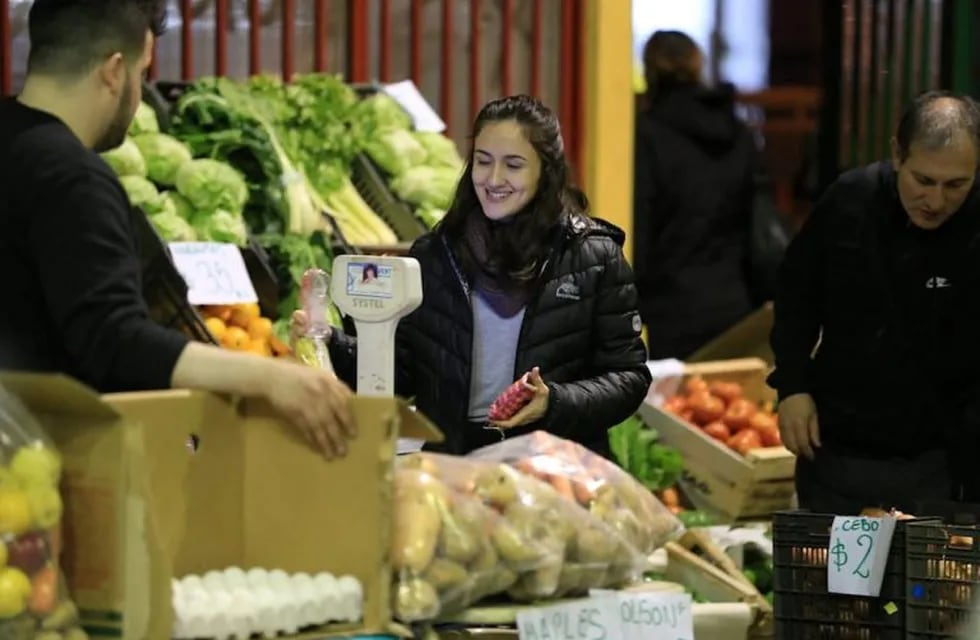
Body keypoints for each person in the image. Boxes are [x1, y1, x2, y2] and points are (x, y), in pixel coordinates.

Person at [0, 0, 354, 459]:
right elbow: (113, 338)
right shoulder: (73, 178)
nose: (140, 91)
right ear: (114, 71)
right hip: (41, 466)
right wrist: (268, 377)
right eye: (142, 73)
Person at [294, 95, 652, 456]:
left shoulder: (592, 257)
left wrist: (554, 402)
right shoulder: (435, 255)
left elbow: (628, 377)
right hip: (454, 464)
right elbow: (402, 373)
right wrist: (329, 342)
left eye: (513, 165)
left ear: (546, 171)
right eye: (483, 162)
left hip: (553, 466)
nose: (494, 179)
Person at [769, 91, 980, 514]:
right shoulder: (851, 200)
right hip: (841, 448)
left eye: (955, 185)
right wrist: (792, 385)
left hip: (945, 458)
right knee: (833, 579)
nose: (936, 201)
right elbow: (796, 293)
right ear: (897, 155)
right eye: (923, 180)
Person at [633, 30, 771, 360]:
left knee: (674, 409)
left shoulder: (646, 135)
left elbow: (640, 229)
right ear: (699, 66)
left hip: (670, 312)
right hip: (736, 304)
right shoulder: (738, 132)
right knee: (730, 408)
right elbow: (758, 217)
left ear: (650, 70)